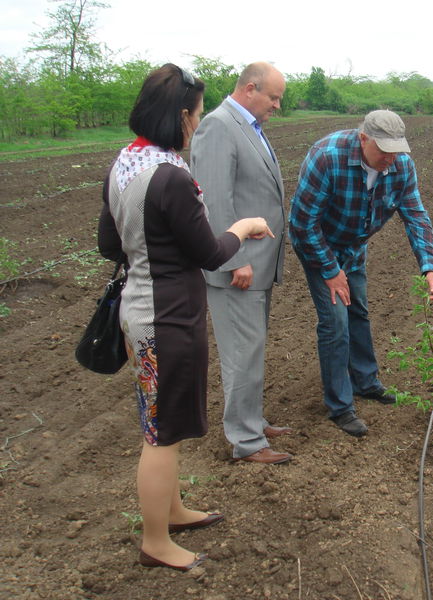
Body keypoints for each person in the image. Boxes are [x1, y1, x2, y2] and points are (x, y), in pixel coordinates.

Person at [98, 64, 271, 571]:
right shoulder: (171, 175)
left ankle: (171, 510)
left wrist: (148, 247)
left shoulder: (127, 162)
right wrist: (244, 227)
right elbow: (211, 252)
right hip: (169, 316)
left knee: (158, 419)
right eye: (196, 113)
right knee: (161, 433)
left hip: (138, 308)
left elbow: (109, 243)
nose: (198, 122)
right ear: (182, 116)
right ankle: (156, 540)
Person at [290, 110, 433, 437]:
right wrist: (331, 270)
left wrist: (429, 266)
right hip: (319, 245)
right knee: (335, 320)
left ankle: (365, 382)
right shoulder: (326, 157)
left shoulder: (399, 165)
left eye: (396, 149)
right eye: (383, 150)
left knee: (357, 310)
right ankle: (340, 407)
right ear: (363, 138)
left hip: (354, 246)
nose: (390, 157)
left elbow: (416, 216)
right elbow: (302, 224)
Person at [190, 62, 292, 465]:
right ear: (250, 89)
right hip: (238, 268)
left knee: (251, 350)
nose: (278, 105)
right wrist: (237, 261)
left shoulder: (248, 127)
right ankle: (246, 442)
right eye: (273, 97)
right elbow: (214, 201)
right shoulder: (219, 126)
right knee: (240, 355)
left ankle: (252, 420)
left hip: (256, 266)